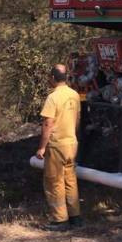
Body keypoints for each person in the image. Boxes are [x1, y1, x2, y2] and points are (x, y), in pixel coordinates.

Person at [35, 64, 82, 231]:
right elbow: (77, 119)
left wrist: (41, 147)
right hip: (71, 144)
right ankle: (75, 216)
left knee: (54, 181)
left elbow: (48, 124)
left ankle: (60, 220)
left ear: (53, 78)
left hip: (57, 145)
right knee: (70, 180)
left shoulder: (53, 97)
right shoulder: (74, 95)